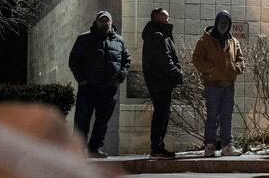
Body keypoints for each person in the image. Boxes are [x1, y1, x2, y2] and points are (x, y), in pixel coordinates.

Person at [68, 12, 130, 157]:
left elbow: (126, 60)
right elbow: (74, 60)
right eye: (102, 20)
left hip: (109, 88)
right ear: (96, 22)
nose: (105, 22)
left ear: (111, 22)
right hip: (88, 87)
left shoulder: (119, 41)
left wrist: (121, 74)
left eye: (107, 20)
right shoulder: (84, 39)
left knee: (103, 121)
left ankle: (94, 149)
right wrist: (81, 79)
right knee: (82, 119)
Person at [191, 10, 244, 157]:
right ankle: (210, 146)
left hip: (228, 83)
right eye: (221, 22)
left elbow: (241, 59)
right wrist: (211, 70)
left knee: (227, 115)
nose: (223, 25)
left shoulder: (233, 41)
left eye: (226, 23)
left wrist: (236, 68)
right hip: (213, 84)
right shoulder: (205, 41)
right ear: (216, 23)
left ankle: (227, 145)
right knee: (212, 116)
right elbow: (197, 59)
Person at [141, 8, 183, 159]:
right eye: (166, 19)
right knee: (161, 115)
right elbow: (165, 60)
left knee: (162, 114)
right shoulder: (158, 36)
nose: (168, 21)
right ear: (158, 20)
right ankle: (157, 148)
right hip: (160, 82)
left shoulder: (158, 34)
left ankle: (158, 147)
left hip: (159, 81)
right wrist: (177, 73)